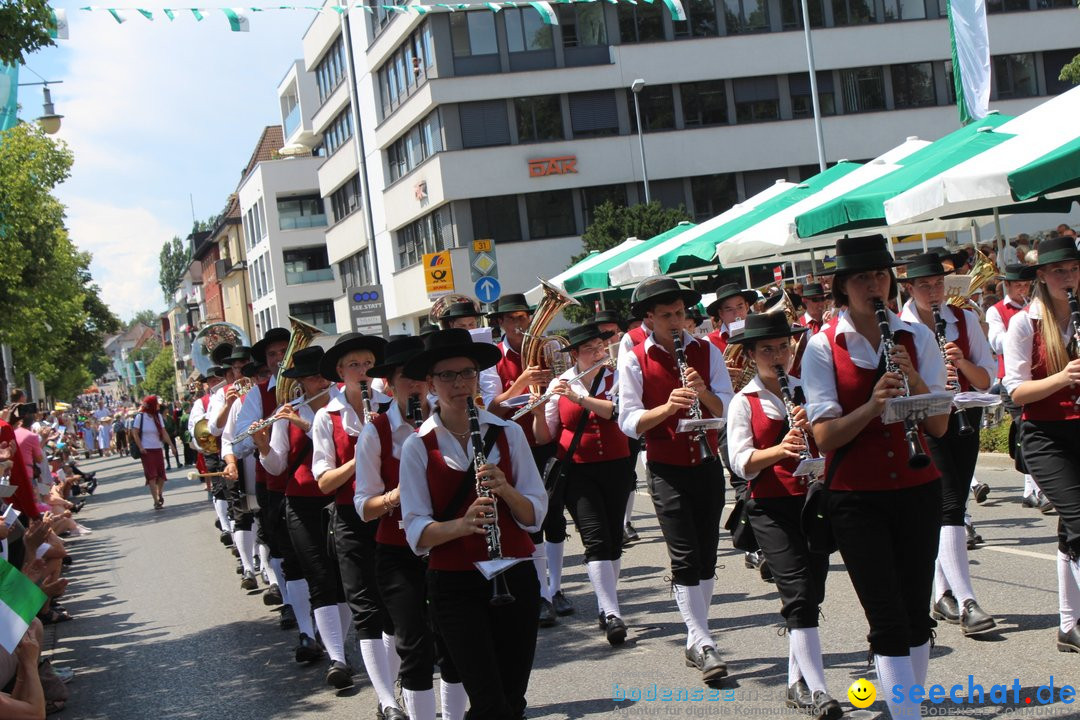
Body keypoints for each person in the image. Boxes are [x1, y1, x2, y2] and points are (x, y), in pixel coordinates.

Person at [802, 234, 949, 720]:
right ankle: (905, 714)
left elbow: (938, 425)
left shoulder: (917, 336)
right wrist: (872, 405)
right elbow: (823, 438)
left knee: (915, 610)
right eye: (862, 277)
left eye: (881, 275)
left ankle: (908, 706)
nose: (874, 285)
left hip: (918, 487)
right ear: (842, 287)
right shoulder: (823, 347)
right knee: (884, 615)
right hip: (856, 497)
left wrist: (916, 380)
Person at [399, 328, 547, 719]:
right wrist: (463, 525)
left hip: (515, 572)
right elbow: (416, 532)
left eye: (467, 373)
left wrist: (506, 489)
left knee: (512, 698)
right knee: (487, 699)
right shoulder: (418, 445)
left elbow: (534, 517)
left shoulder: (508, 432)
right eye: (447, 376)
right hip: (454, 583)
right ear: (430, 383)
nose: (460, 383)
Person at [724, 313, 842, 719]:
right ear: (752, 355)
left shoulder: (810, 390)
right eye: (767, 350)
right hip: (770, 506)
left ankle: (796, 682)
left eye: (783, 348)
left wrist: (818, 436)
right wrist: (780, 449)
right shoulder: (744, 401)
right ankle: (819, 688)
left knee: (814, 592)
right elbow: (740, 462)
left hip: (813, 502)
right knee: (798, 594)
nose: (778, 356)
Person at [617, 277, 734, 683]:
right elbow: (629, 421)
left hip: (706, 463)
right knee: (684, 556)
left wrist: (702, 392)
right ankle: (702, 639)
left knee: (705, 555)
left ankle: (696, 636)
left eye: (680, 314)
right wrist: (667, 407)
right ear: (648, 319)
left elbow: (730, 409)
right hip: (665, 467)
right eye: (665, 316)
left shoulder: (707, 350)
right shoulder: (634, 357)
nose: (675, 322)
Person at [355, 337, 465, 720]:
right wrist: (397, 495)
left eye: (422, 376)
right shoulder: (376, 433)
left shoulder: (451, 423)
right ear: (389, 384)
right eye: (407, 377)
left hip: (446, 545)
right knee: (415, 645)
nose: (416, 384)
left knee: (452, 644)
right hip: (398, 551)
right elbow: (363, 508)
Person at [898, 253, 998, 637]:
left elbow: (986, 377)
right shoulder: (900, 327)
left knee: (951, 505)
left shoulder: (964, 319)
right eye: (924, 285)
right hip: (925, 416)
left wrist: (960, 362)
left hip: (964, 412)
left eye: (938, 284)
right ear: (910, 288)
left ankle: (941, 592)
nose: (933, 291)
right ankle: (967, 599)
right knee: (951, 503)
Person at [312, 333, 402, 704]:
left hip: (389, 512)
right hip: (350, 518)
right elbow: (324, 482)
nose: (363, 372)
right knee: (364, 608)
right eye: (354, 365)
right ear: (340, 372)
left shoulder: (391, 407)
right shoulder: (325, 417)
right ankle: (385, 699)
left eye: (368, 364)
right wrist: (361, 449)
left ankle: (397, 685)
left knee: (394, 608)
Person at [1002, 235, 1080, 654]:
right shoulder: (1024, 323)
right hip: (1045, 435)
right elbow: (1014, 392)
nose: (1067, 276)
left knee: (1071, 529)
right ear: (1042, 277)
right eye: (1058, 271)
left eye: (1073, 268)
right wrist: (1063, 377)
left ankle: (1069, 624)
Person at [534, 323, 633, 646]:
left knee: (615, 538)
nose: (598, 353)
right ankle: (611, 611)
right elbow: (545, 435)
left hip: (617, 466)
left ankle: (608, 607)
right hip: (577, 470)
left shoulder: (616, 376)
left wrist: (578, 397)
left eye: (600, 347)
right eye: (589, 349)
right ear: (574, 354)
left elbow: (614, 412)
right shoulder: (558, 384)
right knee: (595, 538)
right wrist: (537, 411)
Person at [252, 345, 334, 668]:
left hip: (335, 497)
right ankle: (307, 634)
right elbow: (276, 465)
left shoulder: (341, 406)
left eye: (323, 376)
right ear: (301, 382)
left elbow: (341, 445)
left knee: (333, 576)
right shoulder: (288, 411)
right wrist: (262, 446)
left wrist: (303, 424)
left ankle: (331, 640)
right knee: (302, 568)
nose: (320, 383)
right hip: (300, 498)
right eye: (312, 378)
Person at [488, 294, 566, 626]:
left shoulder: (547, 349)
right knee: (527, 517)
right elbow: (492, 407)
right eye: (513, 318)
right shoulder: (493, 358)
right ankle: (539, 593)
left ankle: (555, 587)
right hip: (510, 442)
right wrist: (522, 381)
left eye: (524, 316)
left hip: (544, 438)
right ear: (501, 323)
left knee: (555, 516)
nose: (522, 324)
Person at [129, 396, 175, 509]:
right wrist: (140, 447)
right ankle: (156, 501)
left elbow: (163, 432)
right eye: (156, 404)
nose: (158, 406)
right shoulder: (140, 417)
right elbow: (135, 433)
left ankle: (160, 494)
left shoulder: (158, 416)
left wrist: (172, 446)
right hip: (146, 450)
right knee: (152, 476)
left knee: (161, 475)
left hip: (157, 448)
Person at [705, 284, 757, 354]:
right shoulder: (708, 342)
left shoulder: (760, 334)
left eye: (740, 307)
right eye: (729, 309)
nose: (736, 314)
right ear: (721, 313)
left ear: (747, 307)